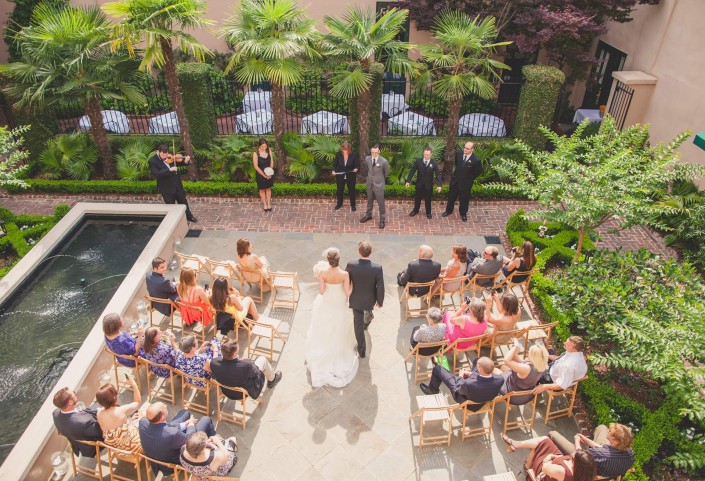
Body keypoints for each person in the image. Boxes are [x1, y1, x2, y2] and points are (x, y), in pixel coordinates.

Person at [306, 248, 359, 388]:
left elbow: (322, 292)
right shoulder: (345, 274)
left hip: (327, 303)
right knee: (338, 329)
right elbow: (347, 293)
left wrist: (320, 281)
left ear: (328, 260)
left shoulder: (322, 273)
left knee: (325, 330)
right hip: (339, 304)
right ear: (338, 260)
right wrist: (352, 286)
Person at [138, 402, 217, 474]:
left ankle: (185, 423)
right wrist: (191, 424)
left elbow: (164, 427)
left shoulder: (142, 422)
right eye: (164, 407)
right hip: (170, 462)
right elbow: (189, 439)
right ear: (162, 417)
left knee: (184, 412)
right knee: (206, 420)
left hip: (155, 457)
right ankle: (214, 444)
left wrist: (183, 424)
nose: (166, 406)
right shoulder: (172, 434)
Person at [548, 423, 635, 479]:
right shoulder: (630, 454)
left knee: (553, 434)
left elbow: (578, 455)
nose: (607, 431)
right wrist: (586, 440)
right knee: (602, 427)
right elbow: (603, 449)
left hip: (584, 468)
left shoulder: (598, 455)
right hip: (608, 474)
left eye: (609, 431)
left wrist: (577, 441)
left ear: (615, 441)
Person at [345, 241, 385, 358]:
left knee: (358, 325)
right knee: (367, 313)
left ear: (359, 252)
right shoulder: (377, 268)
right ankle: (367, 322)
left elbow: (347, 281)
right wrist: (380, 301)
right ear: (370, 253)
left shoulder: (351, 265)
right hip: (369, 299)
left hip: (356, 299)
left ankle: (362, 351)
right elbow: (380, 286)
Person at [207, 339, 282, 400]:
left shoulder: (214, 363)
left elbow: (215, 360)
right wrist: (248, 362)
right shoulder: (245, 365)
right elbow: (256, 372)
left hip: (227, 392)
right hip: (242, 393)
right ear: (234, 354)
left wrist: (215, 350)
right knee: (262, 359)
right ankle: (272, 379)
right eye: (237, 350)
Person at [419, 356, 504, 410]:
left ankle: (432, 390)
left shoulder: (469, 384)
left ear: (480, 370)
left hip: (465, 400)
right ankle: (474, 368)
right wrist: (471, 374)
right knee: (476, 360)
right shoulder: (500, 379)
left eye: (478, 367)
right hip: (481, 401)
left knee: (437, 369)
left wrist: (460, 376)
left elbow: (459, 389)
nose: (477, 367)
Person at [501, 434, 597, 481]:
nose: (572, 455)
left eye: (573, 458)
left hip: (544, 470)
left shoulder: (565, 473)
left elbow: (545, 467)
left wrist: (550, 456)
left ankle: (516, 446)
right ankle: (516, 444)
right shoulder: (582, 473)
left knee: (536, 446)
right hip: (556, 460)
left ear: (578, 465)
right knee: (545, 440)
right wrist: (556, 456)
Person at [148, 143, 197, 223]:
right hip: (166, 188)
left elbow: (178, 162)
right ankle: (174, 221)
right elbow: (156, 173)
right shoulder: (152, 161)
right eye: (163, 155)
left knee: (183, 202)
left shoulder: (170, 156)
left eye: (166, 154)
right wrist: (169, 170)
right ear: (158, 152)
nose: (165, 157)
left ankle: (189, 216)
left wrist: (186, 161)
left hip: (177, 184)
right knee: (171, 206)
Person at [52, 387, 103, 458]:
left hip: (77, 443)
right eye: (74, 393)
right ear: (70, 402)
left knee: (97, 406)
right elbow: (101, 431)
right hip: (92, 447)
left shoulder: (55, 413)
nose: (76, 394)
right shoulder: (84, 422)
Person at [96, 380, 143, 453]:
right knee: (145, 418)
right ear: (114, 398)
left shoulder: (99, 414)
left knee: (136, 417)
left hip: (117, 450)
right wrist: (134, 385)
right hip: (133, 448)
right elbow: (138, 402)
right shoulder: (121, 410)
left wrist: (129, 419)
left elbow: (115, 428)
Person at [443, 141, 483, 222]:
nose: (465, 150)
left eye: (468, 149)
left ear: (472, 150)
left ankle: (463, 213)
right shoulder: (459, 154)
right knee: (451, 197)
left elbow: (478, 171)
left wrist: (470, 178)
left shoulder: (476, 160)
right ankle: (448, 211)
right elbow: (457, 166)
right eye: (465, 147)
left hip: (466, 183)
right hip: (455, 181)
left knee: (464, 199)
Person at [405, 146, 442, 219]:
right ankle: (415, 210)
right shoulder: (418, 161)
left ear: (431, 154)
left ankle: (428, 212)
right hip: (419, 184)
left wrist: (439, 185)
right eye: (425, 154)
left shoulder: (433, 163)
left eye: (428, 154)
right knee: (417, 198)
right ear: (423, 153)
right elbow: (412, 171)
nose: (426, 156)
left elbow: (438, 174)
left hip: (428, 185)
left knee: (428, 199)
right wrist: (408, 181)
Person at [359, 144, 390, 229]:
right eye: (372, 152)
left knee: (381, 204)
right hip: (369, 184)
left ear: (379, 152)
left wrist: (379, 180)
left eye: (376, 152)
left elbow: (386, 173)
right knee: (369, 201)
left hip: (379, 185)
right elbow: (367, 169)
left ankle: (382, 220)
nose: (374, 154)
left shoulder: (384, 161)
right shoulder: (367, 159)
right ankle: (368, 215)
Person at [332, 140, 359, 211]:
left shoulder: (353, 155)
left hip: (350, 176)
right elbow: (335, 165)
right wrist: (333, 170)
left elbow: (356, 165)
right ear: (342, 147)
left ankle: (353, 205)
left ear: (349, 148)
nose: (345, 149)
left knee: (352, 191)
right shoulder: (338, 154)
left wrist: (356, 168)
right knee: (340, 190)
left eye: (346, 148)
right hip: (340, 176)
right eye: (344, 148)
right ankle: (339, 204)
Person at [253, 138, 274, 212]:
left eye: (265, 146)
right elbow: (256, 166)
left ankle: (268, 204)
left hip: (269, 174)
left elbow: (271, 161)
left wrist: (270, 172)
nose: (264, 148)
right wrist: (264, 175)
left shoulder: (269, 150)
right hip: (260, 174)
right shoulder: (256, 154)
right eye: (262, 146)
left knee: (268, 189)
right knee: (262, 189)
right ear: (259, 146)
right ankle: (264, 204)